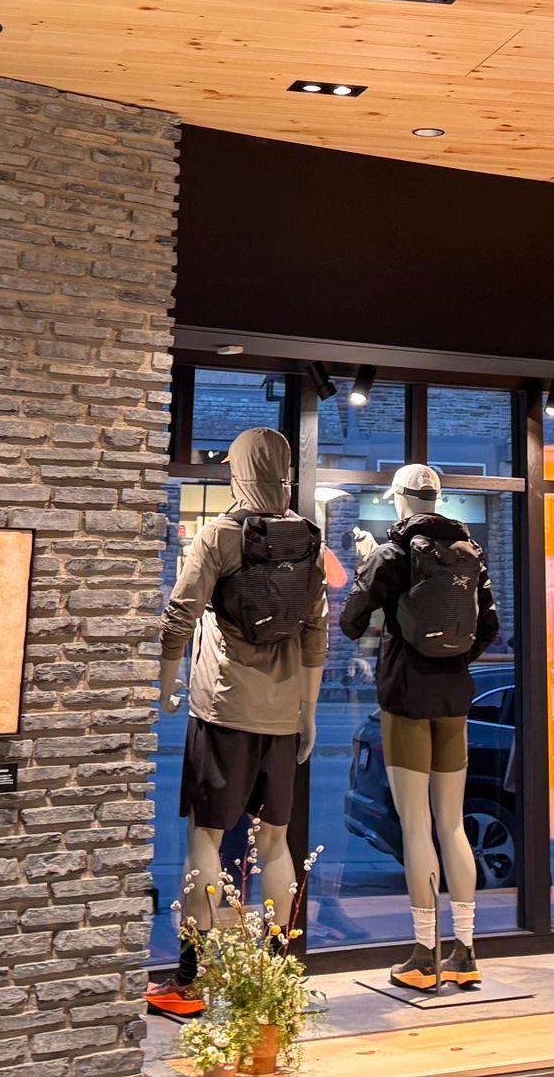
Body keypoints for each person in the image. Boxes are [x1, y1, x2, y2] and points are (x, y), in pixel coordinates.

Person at [150, 426, 328, 1014]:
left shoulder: (220, 535)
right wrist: (307, 711)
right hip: (283, 715)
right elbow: (316, 633)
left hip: (224, 709)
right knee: (275, 843)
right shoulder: (307, 539)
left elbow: (180, 614)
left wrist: (166, 683)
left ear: (240, 470)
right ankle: (277, 983)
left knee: (205, 838)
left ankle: (189, 980)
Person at [339, 463, 500, 992]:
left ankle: (424, 955)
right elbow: (489, 627)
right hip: (455, 698)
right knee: (452, 825)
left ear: (398, 498)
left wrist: (367, 569)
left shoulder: (392, 553)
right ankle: (466, 952)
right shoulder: (469, 552)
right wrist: (451, 659)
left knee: (416, 826)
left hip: (406, 697)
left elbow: (350, 622)